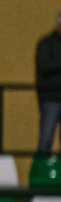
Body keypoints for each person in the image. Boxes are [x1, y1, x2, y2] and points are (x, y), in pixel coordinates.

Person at [36, 10, 61, 153]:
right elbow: (44, 66)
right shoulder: (46, 43)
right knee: (46, 138)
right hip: (51, 98)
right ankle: (41, 173)